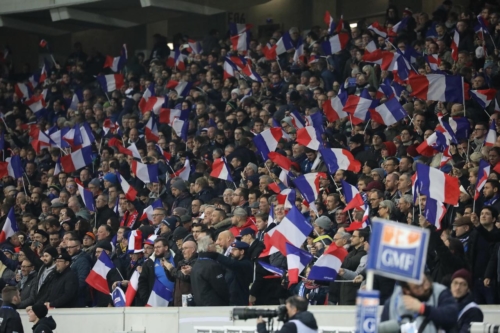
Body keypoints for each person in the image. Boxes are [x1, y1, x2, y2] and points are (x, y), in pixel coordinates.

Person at [380, 274, 459, 333]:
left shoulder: (440, 292)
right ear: (406, 290)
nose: (426, 287)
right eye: (418, 287)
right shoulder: (392, 303)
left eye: (425, 281)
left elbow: (451, 316)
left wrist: (423, 309)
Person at [190, 236, 229, 306]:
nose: (215, 244)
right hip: (214, 307)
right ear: (208, 247)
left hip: (200, 305)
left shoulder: (196, 264)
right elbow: (221, 288)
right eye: (212, 243)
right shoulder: (211, 265)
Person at [137, 237, 175, 306]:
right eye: (155, 247)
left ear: (166, 248)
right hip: (157, 301)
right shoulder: (149, 263)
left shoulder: (177, 258)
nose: (156, 250)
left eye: (158, 247)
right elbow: (142, 282)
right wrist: (146, 299)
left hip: (175, 301)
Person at [450, 269, 483, 333]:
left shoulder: (473, 310)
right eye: (455, 283)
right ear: (450, 286)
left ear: (468, 288)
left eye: (462, 284)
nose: (458, 287)